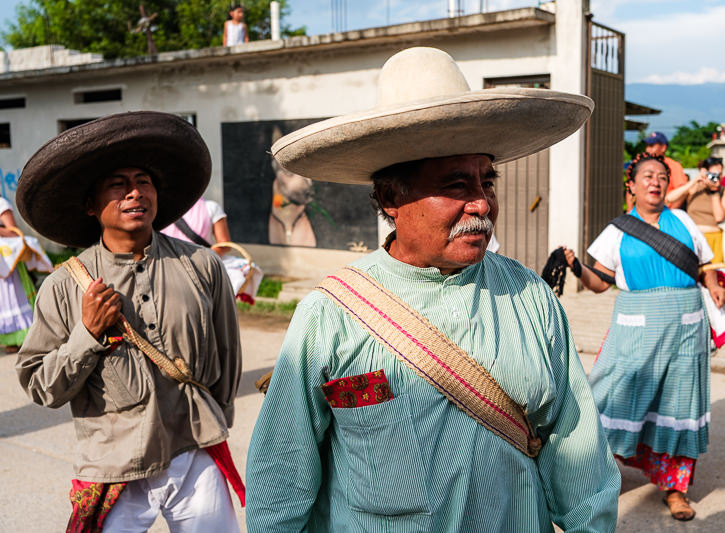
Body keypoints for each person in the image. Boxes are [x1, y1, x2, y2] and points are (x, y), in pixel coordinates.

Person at [246, 46, 620, 533]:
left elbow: (578, 452)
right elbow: (282, 475)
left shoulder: (530, 299)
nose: (482, 204)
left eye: (487, 182)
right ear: (390, 197)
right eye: (456, 185)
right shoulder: (330, 314)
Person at [14, 111, 243, 531]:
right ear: (90, 204)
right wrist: (87, 335)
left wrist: (216, 418)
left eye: (144, 182)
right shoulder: (64, 286)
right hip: (113, 465)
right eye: (118, 185)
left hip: (194, 453)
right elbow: (40, 386)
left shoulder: (201, 266)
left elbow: (227, 357)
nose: (135, 193)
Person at [564, 152, 725, 522]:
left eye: (661, 176)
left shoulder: (683, 220)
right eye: (647, 176)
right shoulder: (617, 231)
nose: (655, 182)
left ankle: (675, 489)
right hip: (636, 331)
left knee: (680, 405)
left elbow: (704, 265)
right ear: (632, 186)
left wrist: (714, 284)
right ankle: (597, 475)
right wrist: (577, 267)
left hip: (686, 330)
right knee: (612, 396)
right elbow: (600, 283)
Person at [666, 157, 725, 263]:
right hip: (693, 239)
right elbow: (669, 198)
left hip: (714, 239)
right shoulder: (694, 188)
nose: (716, 178)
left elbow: (719, 217)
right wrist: (695, 180)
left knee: (714, 275)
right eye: (713, 174)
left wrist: (714, 191)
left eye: (719, 174)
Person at [0, 197, 36, 353]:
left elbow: (15, 233)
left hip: (9, 263)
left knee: (14, 298)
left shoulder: (1, 204)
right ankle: (10, 341)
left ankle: (28, 337)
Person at [626, 131, 688, 211]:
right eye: (647, 146)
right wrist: (630, 212)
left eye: (652, 146)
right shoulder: (638, 164)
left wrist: (670, 213)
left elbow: (682, 192)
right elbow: (630, 190)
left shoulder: (674, 166)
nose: (648, 149)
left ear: (663, 148)